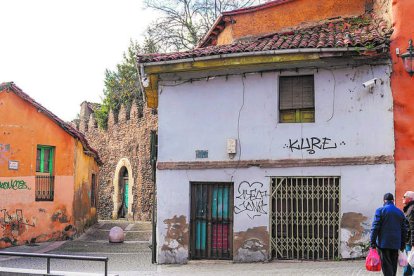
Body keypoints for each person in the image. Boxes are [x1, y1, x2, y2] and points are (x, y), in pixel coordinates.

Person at [370, 193, 408, 276]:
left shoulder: (380, 210)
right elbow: (404, 230)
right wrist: (402, 245)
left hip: (383, 244)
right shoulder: (400, 212)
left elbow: (375, 227)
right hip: (396, 244)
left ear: (384, 201)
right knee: (393, 266)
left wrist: (372, 242)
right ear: (393, 201)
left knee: (387, 267)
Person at [403, 191, 414, 276]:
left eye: (404, 197)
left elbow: (413, 228)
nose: (403, 198)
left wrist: (413, 243)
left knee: (410, 262)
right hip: (409, 240)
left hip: (410, 241)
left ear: (410, 198)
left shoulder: (411, 209)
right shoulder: (409, 208)